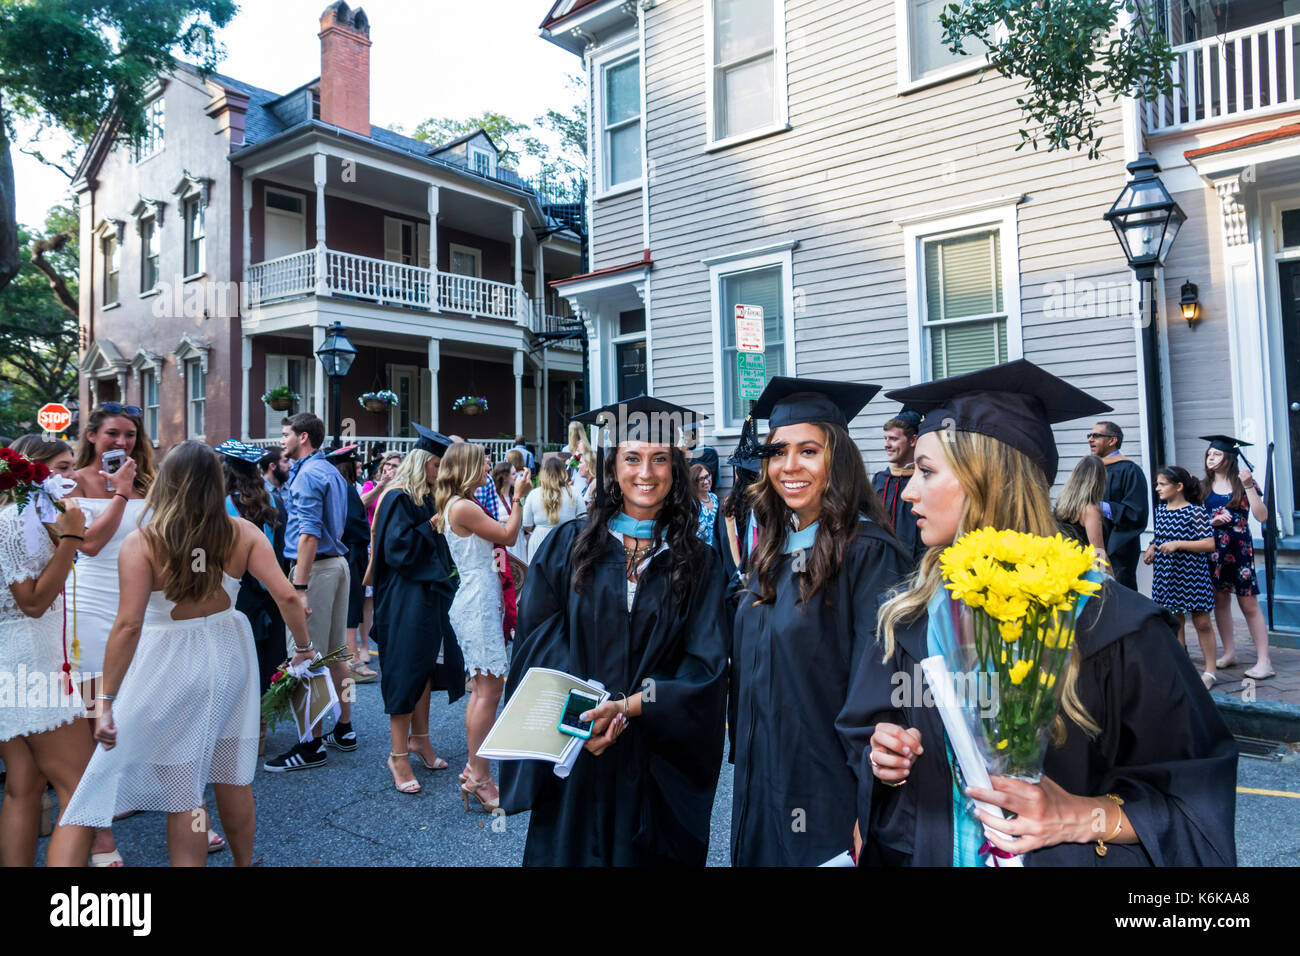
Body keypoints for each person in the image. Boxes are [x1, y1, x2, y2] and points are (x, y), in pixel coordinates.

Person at [839, 359, 1237, 866]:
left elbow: (1194, 796)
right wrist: (884, 753)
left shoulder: (1112, 626)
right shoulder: (911, 616)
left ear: (991, 480)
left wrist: (1081, 816)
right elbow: (866, 731)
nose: (909, 491)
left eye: (926, 471)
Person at [57, 442, 314, 866]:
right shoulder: (242, 532)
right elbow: (287, 595)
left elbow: (128, 625)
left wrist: (104, 702)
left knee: (184, 792)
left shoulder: (143, 542)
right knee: (233, 775)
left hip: (169, 660)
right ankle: (244, 863)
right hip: (230, 653)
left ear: (166, 483)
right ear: (216, 483)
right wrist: (303, 650)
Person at [499, 396, 729, 866]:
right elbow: (536, 641)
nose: (646, 472)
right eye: (632, 458)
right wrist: (586, 714)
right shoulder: (570, 546)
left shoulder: (699, 563)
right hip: (578, 744)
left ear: (675, 469)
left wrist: (630, 706)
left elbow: (705, 666)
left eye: (659, 459)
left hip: (656, 756)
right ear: (612, 467)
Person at [729, 378, 910, 866]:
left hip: (828, 787)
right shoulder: (769, 551)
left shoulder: (868, 554)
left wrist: (866, 805)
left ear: (839, 460)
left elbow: (883, 688)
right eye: (778, 452)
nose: (789, 466)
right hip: (763, 776)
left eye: (809, 451)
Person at [65, 402, 156, 867]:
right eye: (113, 435)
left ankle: (181, 807)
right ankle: (101, 836)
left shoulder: (149, 484)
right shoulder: (73, 482)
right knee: (93, 722)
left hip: (144, 613)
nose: (122, 443)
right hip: (92, 612)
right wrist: (119, 493)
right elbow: (90, 543)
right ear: (92, 435)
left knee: (145, 712)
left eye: (130, 436)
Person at [0, 440, 96, 867]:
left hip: (20, 661)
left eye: (71, 467)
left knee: (24, 787)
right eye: (60, 468)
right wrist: (72, 537)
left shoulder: (34, 520)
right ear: (32, 474)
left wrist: (66, 533)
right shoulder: (10, 523)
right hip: (32, 662)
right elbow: (34, 601)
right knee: (82, 788)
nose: (69, 477)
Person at [435, 442, 532, 812]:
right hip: (477, 600)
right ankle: (479, 777)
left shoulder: (459, 503)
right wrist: (519, 498)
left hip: (477, 595)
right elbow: (507, 535)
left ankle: (475, 769)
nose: (488, 471)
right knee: (488, 691)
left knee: (483, 689)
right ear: (467, 468)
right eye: (483, 465)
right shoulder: (462, 506)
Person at [369, 425, 465, 794]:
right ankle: (397, 756)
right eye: (436, 465)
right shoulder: (397, 498)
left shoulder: (425, 496)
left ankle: (420, 739)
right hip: (404, 598)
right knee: (405, 670)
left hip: (427, 594)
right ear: (422, 461)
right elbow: (398, 552)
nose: (440, 473)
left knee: (426, 667)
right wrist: (431, 525)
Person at [264, 412, 356, 772]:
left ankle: (310, 745)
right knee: (334, 653)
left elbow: (308, 535)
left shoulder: (306, 475)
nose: (282, 439)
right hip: (336, 566)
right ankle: (344, 730)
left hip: (315, 569)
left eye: (286, 434)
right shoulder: (330, 469)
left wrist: (299, 587)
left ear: (303, 437)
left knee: (305, 657)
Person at [218, 441, 287, 720]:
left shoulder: (222, 507)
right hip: (270, 589)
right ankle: (260, 720)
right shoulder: (273, 502)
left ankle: (241, 720)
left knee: (239, 658)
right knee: (265, 655)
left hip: (238, 593)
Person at [1202, 435, 1274, 680]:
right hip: (1214, 551)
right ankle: (1229, 652)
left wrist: (1250, 486)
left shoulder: (1243, 483)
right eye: (1209, 454)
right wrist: (1211, 521)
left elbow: (1262, 517)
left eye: (1217, 454)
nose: (1211, 457)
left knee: (1248, 603)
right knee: (1220, 600)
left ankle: (1264, 661)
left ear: (1229, 458)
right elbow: (1197, 522)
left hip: (1239, 550)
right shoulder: (1202, 487)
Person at [1144, 466, 1219, 689]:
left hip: (1192, 575)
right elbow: (1161, 537)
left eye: (1162, 484)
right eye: (1157, 484)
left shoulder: (1194, 511)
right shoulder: (1160, 511)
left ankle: (1210, 672)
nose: (1157, 488)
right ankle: (1183, 667)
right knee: (1174, 622)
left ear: (1179, 487)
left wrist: (1178, 544)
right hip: (1167, 575)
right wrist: (1152, 547)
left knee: (1202, 622)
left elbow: (1209, 543)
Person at [327, 445, 377, 684]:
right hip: (351, 555)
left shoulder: (340, 489)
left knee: (351, 607)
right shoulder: (345, 490)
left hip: (348, 554)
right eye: (356, 466)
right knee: (350, 607)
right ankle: (351, 660)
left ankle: (349, 657)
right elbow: (353, 526)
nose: (359, 470)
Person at [1088, 421, 1148, 591]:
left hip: (1118, 548)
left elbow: (1136, 513)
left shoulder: (1129, 470)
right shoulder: (1090, 469)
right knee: (1095, 594)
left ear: (1112, 440)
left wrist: (1099, 507)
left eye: (1096, 435)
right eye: (1089, 436)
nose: (1090, 439)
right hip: (1091, 546)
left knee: (1118, 595)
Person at [872, 409, 925, 568]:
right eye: (886, 438)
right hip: (882, 567)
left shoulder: (924, 480)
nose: (886, 444)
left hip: (918, 569)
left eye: (893, 439)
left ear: (913, 440)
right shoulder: (880, 479)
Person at [520, 457, 583, 563]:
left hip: (540, 541)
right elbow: (583, 519)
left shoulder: (534, 494)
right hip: (567, 539)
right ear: (563, 472)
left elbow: (527, 525)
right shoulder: (574, 492)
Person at [1054, 454, 1111, 566]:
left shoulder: (1063, 503)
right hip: (1082, 568)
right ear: (1099, 481)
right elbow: (1098, 552)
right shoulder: (1090, 509)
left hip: (1062, 565)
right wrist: (1110, 576)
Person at [691, 463, 719, 544]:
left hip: (717, 551)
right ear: (694, 482)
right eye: (701, 479)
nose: (706, 481)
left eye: (707, 476)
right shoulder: (692, 503)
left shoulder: (714, 498)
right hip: (700, 552)